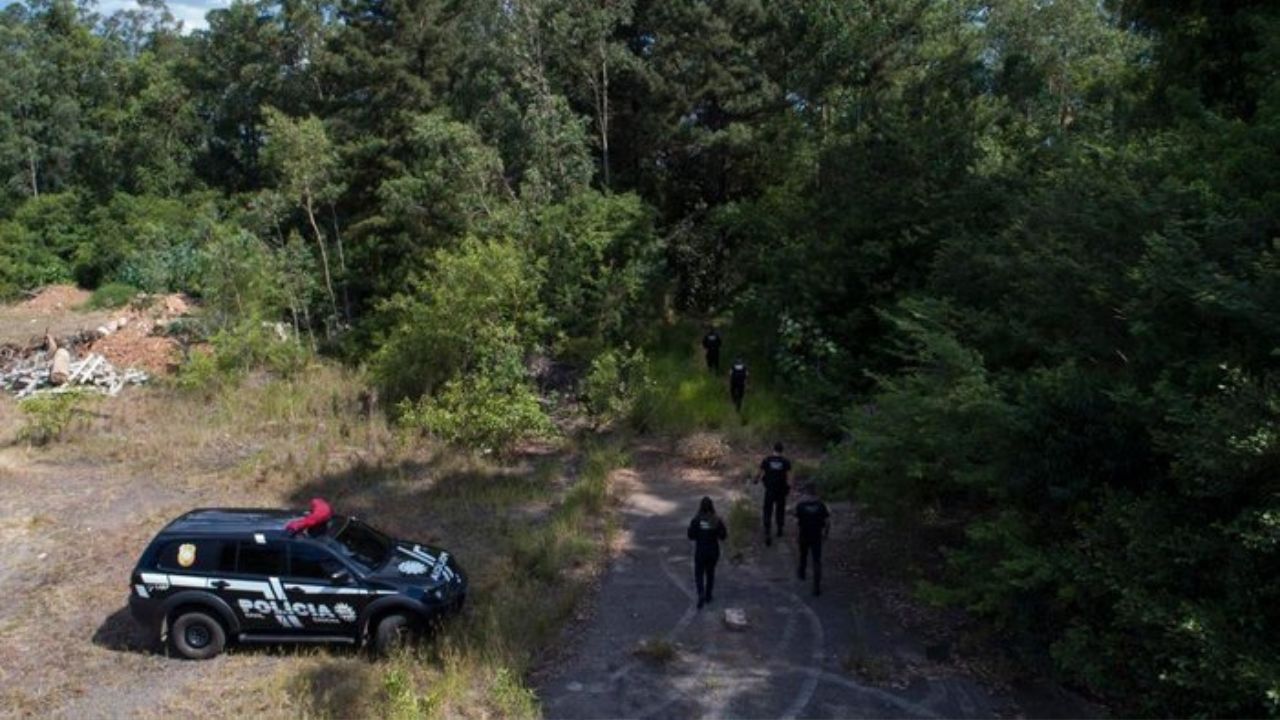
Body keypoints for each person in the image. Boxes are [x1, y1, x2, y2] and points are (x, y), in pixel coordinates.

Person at [687, 496, 727, 609]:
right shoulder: (715, 520)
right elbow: (723, 536)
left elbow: (691, 536)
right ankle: (708, 594)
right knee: (710, 573)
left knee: (699, 573)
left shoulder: (697, 519)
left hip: (700, 551)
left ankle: (700, 593)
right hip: (713, 550)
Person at [794, 482, 830, 596]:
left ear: (806, 493)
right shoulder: (821, 505)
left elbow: (796, 522)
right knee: (817, 560)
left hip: (804, 534)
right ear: (816, 493)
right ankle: (816, 586)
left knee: (803, 554)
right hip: (817, 535)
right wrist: (826, 534)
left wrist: (796, 535)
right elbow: (828, 522)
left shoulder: (800, 506)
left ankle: (802, 572)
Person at [755, 443, 791, 546]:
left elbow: (759, 472)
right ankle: (779, 529)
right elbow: (789, 477)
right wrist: (789, 487)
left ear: (773, 449)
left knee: (767, 510)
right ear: (782, 450)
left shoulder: (767, 460)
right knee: (780, 509)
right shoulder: (785, 462)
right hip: (781, 490)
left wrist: (756, 479)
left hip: (770, 489)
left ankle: (767, 530)